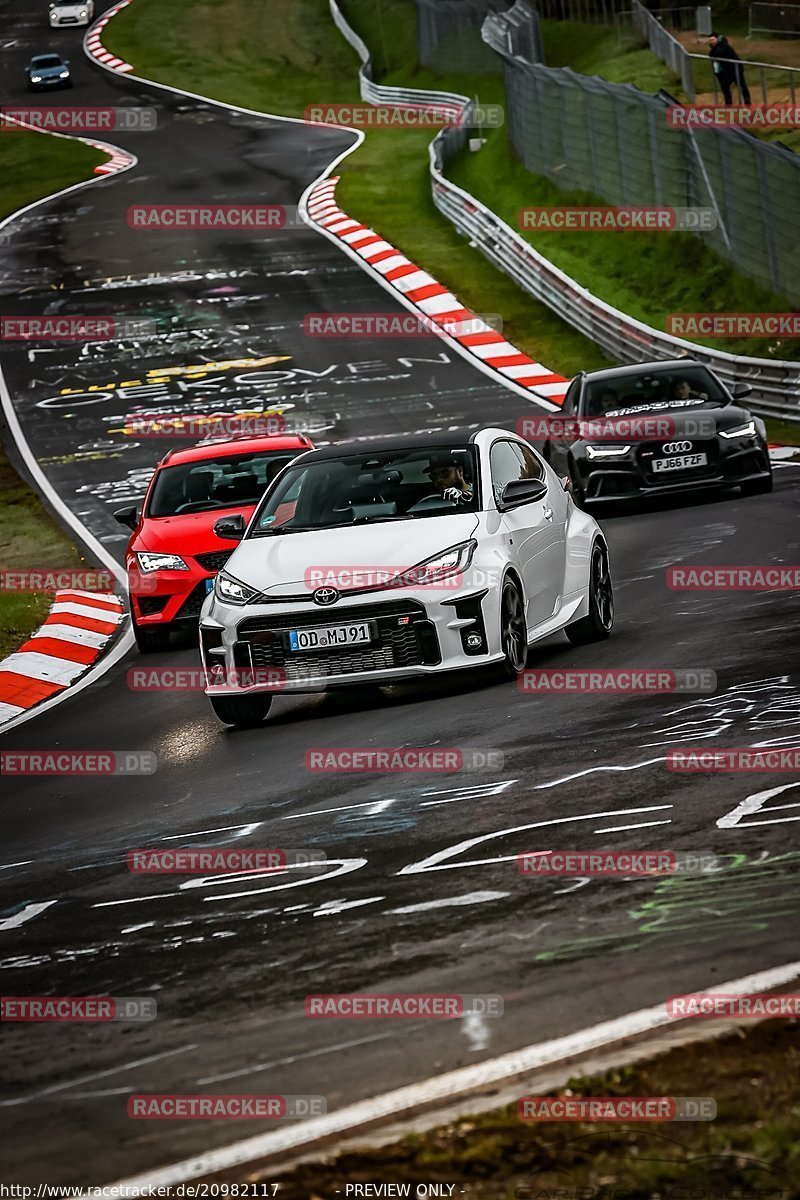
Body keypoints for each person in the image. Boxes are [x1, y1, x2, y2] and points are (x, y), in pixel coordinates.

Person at [708, 33, 751, 105]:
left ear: (717, 39)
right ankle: (728, 103)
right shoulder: (718, 47)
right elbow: (712, 55)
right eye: (710, 40)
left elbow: (715, 54)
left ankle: (747, 102)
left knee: (742, 85)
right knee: (724, 86)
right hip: (727, 71)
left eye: (712, 40)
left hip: (736, 69)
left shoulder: (723, 46)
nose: (711, 42)